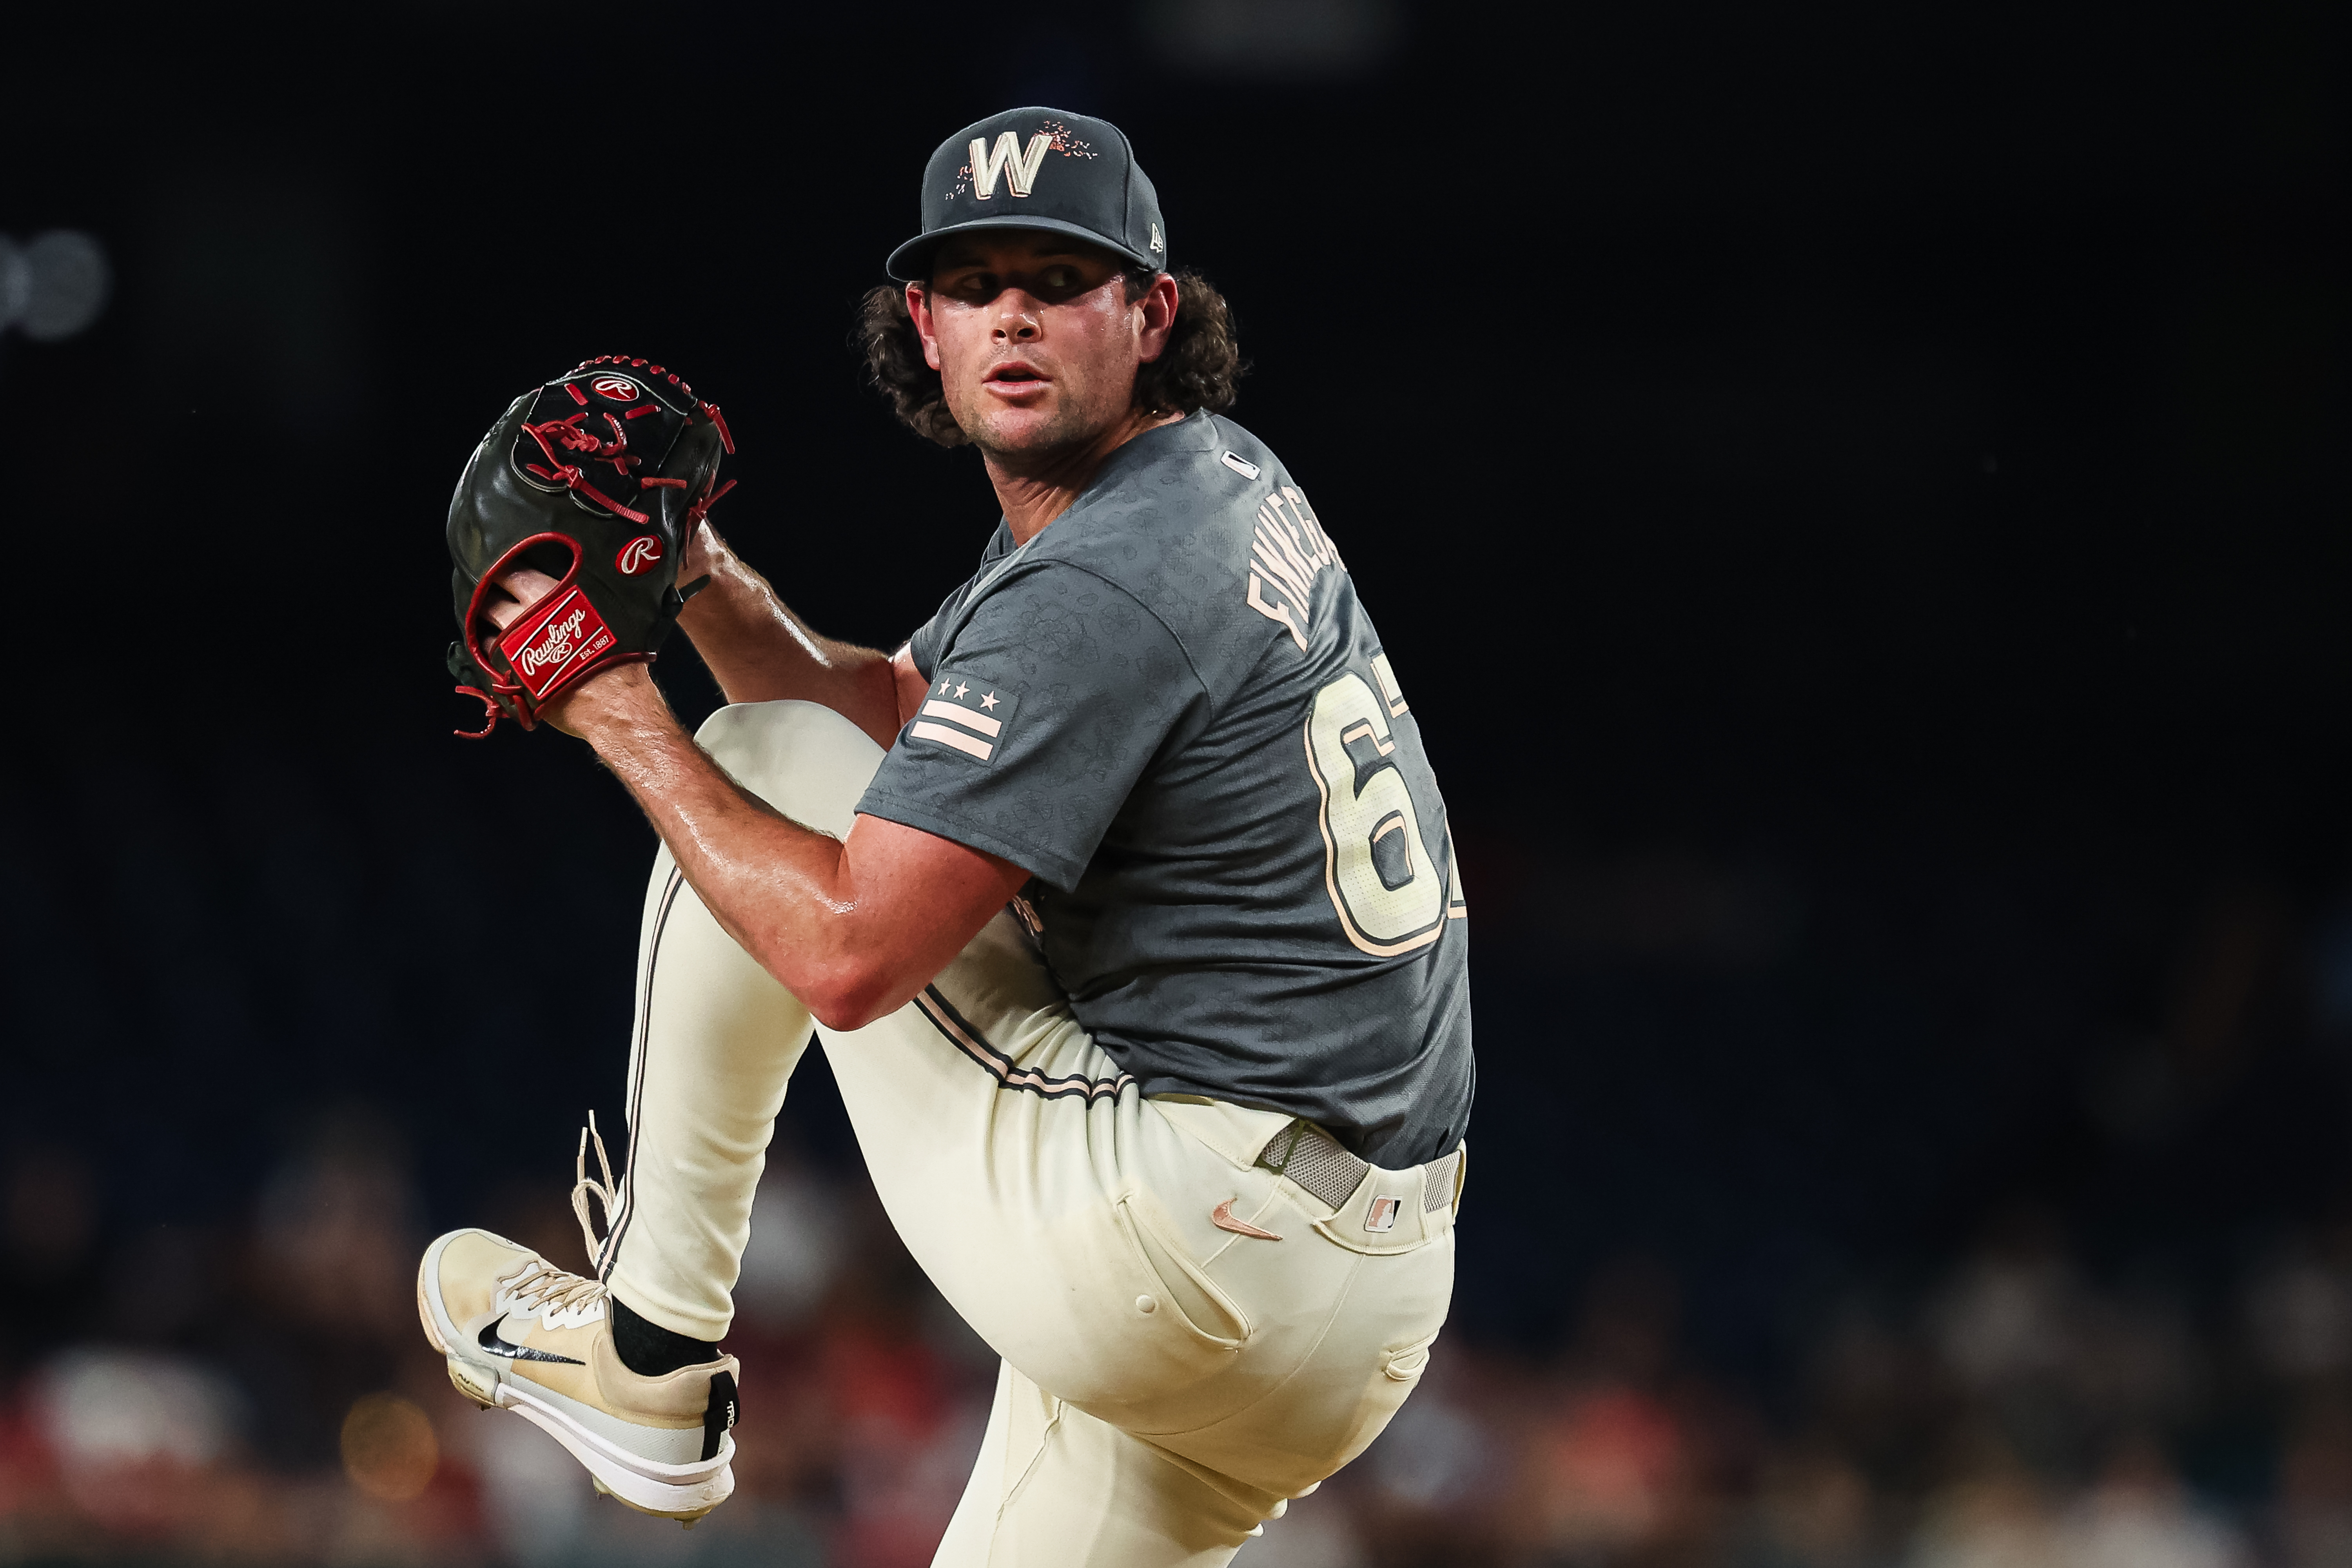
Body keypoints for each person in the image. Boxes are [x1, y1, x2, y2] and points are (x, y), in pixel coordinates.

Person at [415, 106, 1474, 1566]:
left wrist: (609, 704)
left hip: (1196, 1232)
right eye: (977, 284)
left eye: (1061, 276)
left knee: (759, 764)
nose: (1014, 315)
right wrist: (698, 568)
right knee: (812, 753)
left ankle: (651, 1360)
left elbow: (851, 955)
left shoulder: (1105, 576)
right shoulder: (1199, 483)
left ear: (1152, 313)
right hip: (1356, 1299)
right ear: (921, 323)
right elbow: (901, 721)